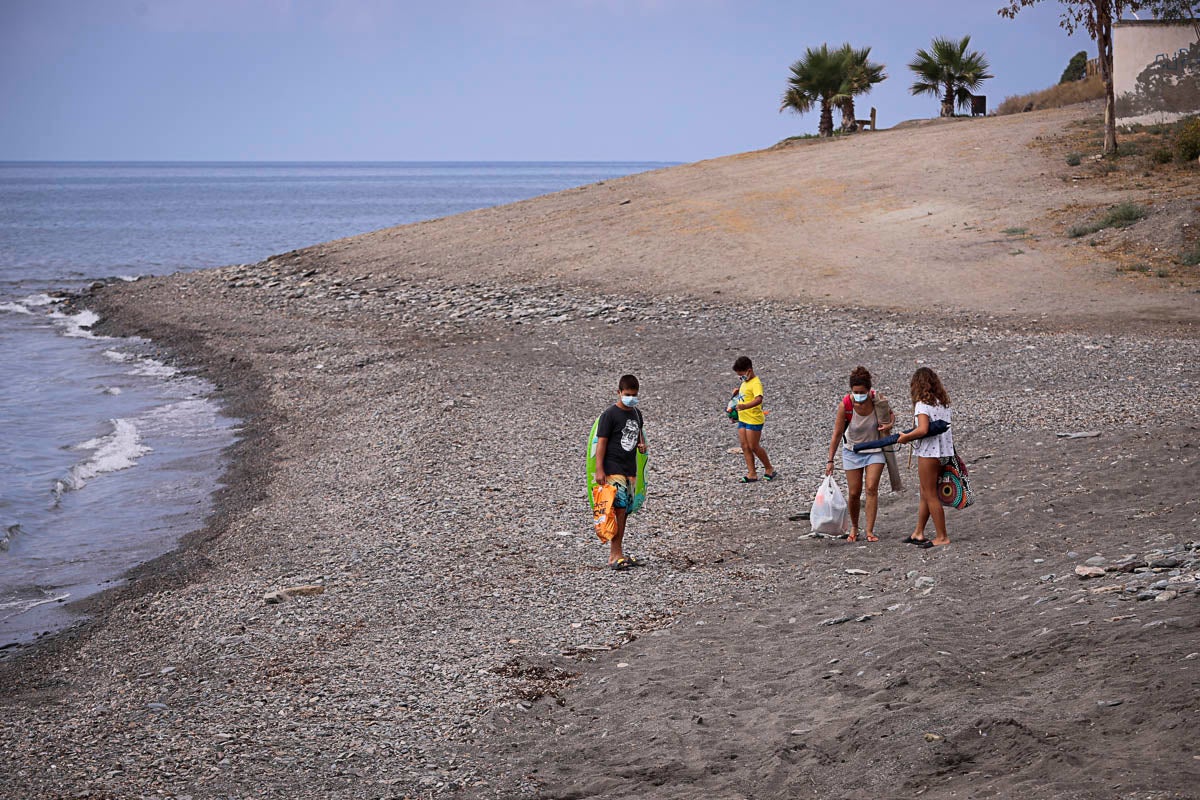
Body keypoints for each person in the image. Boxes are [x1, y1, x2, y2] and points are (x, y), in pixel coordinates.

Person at [825, 366, 895, 542]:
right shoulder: (846, 406)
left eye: (861, 392)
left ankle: (870, 530)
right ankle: (855, 527)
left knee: (871, 488)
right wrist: (830, 460)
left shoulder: (878, 401)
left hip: (875, 450)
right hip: (852, 451)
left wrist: (889, 425)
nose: (858, 395)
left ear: (869, 389)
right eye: (855, 392)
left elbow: (891, 415)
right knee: (854, 492)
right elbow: (837, 434)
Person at [894, 367, 954, 548]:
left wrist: (905, 438)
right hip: (944, 452)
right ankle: (918, 532)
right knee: (925, 493)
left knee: (930, 494)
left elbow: (923, 430)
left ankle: (942, 536)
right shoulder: (942, 403)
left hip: (929, 453)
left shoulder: (922, 404)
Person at [593, 374, 648, 570]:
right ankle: (614, 554)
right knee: (619, 510)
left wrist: (642, 446)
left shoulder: (637, 413)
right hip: (613, 467)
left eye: (634, 394)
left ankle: (619, 552)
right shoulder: (609, 415)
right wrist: (600, 470)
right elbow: (601, 443)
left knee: (625, 511)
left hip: (630, 469)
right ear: (618, 392)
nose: (631, 398)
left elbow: (639, 435)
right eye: (627, 394)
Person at [731, 356, 777, 483]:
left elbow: (758, 399)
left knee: (754, 446)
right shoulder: (745, 383)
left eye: (742, 374)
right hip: (743, 418)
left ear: (749, 371)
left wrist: (745, 406)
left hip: (753, 419)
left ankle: (769, 468)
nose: (741, 377)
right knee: (745, 446)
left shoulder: (756, 383)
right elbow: (744, 396)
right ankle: (752, 473)